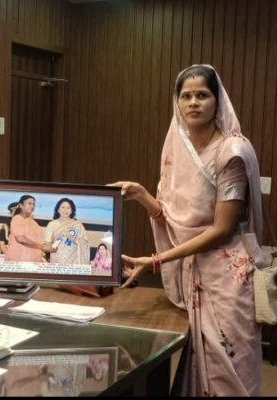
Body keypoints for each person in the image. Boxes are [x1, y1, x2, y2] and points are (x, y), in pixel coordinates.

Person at [113, 65, 263, 396]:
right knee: (197, 362)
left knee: (228, 369)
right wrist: (142, 195)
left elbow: (221, 230)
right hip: (194, 270)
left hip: (226, 277)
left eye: (202, 95)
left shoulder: (232, 152)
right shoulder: (178, 151)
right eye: (186, 96)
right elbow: (175, 218)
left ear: (217, 101)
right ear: (177, 102)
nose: (193, 102)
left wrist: (156, 260)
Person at [4, 195, 53, 262]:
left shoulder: (34, 223)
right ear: (21, 205)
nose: (32, 206)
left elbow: (39, 241)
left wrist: (49, 247)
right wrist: (42, 247)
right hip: (18, 260)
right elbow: (20, 238)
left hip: (33, 261)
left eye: (33, 204)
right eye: (29, 203)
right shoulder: (17, 219)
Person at [43, 198, 89, 265]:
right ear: (58, 210)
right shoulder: (52, 224)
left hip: (74, 262)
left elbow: (85, 243)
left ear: (72, 210)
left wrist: (72, 238)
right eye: (63, 207)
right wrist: (51, 245)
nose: (65, 210)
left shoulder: (78, 225)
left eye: (68, 208)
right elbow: (46, 245)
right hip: (56, 260)